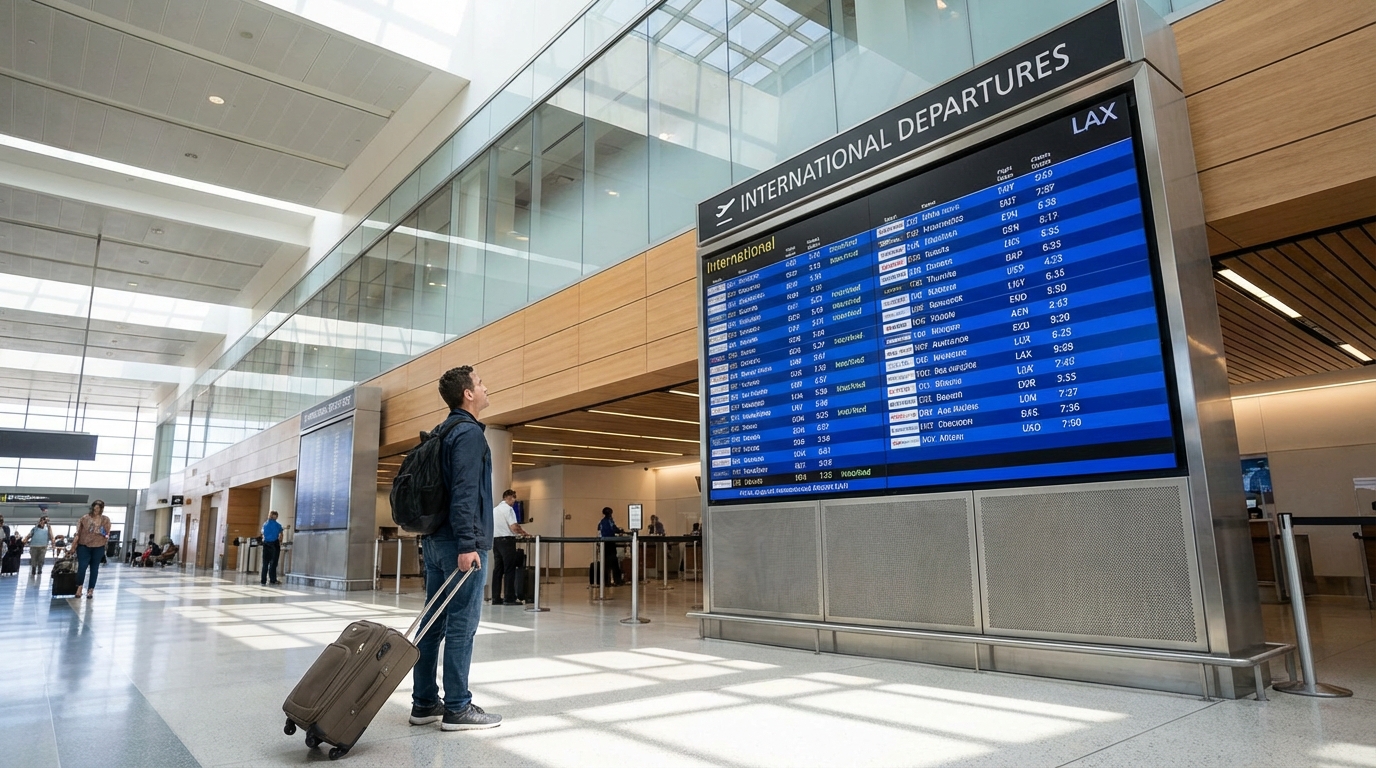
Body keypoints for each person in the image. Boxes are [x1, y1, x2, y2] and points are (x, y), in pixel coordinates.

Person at [410, 365, 502, 732]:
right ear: (467, 393)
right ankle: (458, 707)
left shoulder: (441, 432)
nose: (485, 386)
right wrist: (468, 544)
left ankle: (424, 702)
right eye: (480, 382)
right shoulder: (468, 434)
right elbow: (466, 492)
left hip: (435, 541)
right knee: (462, 625)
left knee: (432, 625)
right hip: (458, 545)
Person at [490, 490, 528, 605]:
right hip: (507, 541)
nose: (514, 501)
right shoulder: (508, 509)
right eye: (514, 498)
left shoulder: (494, 510)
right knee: (509, 569)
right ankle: (509, 597)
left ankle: (496, 597)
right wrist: (524, 533)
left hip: (496, 541)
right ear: (509, 497)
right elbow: (514, 527)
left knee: (498, 570)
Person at [72, 500, 112, 599]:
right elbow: (78, 533)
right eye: (95, 507)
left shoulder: (105, 520)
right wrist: (73, 546)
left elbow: (107, 533)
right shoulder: (85, 518)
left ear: (102, 509)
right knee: (82, 567)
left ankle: (91, 590)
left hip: (98, 547)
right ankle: (79, 587)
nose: (96, 509)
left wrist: (104, 534)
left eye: (98, 508)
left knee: (94, 569)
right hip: (83, 546)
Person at [597, 507, 625, 586]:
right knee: (614, 562)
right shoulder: (609, 521)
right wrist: (621, 531)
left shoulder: (601, 522)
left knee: (605, 563)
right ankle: (617, 580)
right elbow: (614, 529)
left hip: (603, 543)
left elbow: (599, 530)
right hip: (610, 543)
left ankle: (606, 581)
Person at [260, 510, 283, 585]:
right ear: (276, 516)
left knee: (265, 563)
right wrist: (280, 542)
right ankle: (273, 579)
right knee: (273, 563)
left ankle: (263, 580)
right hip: (274, 545)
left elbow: (262, 534)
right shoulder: (278, 525)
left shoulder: (265, 524)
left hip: (266, 544)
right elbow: (281, 536)